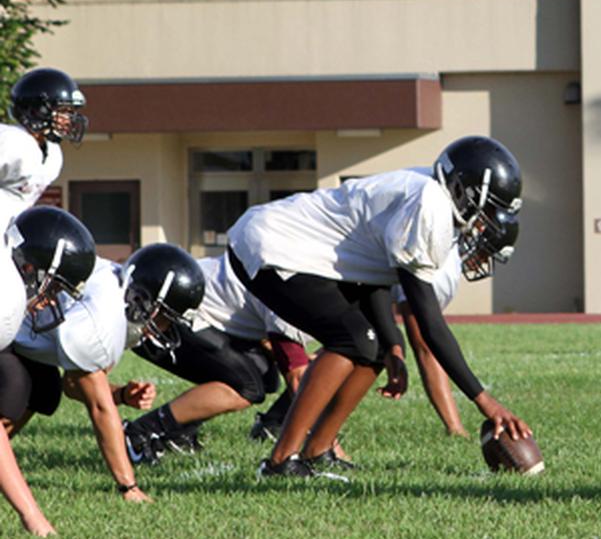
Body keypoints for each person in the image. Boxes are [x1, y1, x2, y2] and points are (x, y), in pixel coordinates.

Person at [226, 135, 532, 478]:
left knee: (369, 347)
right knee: (350, 339)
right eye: (488, 207)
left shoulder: (427, 191)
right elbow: (429, 322)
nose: (486, 219)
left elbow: (373, 278)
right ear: (462, 190)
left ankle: (318, 450)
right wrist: (484, 401)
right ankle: (281, 461)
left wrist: (392, 347)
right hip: (272, 246)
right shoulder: (428, 206)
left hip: (301, 254)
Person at [7, 243, 204, 503]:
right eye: (165, 318)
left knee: (45, 390)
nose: (164, 328)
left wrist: (120, 395)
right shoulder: (104, 317)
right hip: (6, 320)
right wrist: (128, 486)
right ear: (145, 302)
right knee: (17, 386)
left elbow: (74, 383)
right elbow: (99, 407)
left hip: (17, 329)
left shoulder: (117, 295)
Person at [123, 251, 312, 464]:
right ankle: (143, 430)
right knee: (248, 387)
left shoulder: (296, 270)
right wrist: (324, 444)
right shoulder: (294, 283)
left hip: (198, 313)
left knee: (264, 374)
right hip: (165, 312)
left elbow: (271, 341)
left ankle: (180, 430)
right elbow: (298, 378)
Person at [378, 210, 520, 438]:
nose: (484, 262)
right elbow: (424, 344)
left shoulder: (447, 256)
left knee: (364, 346)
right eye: (485, 252)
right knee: (359, 348)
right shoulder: (438, 262)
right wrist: (456, 426)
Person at [0, 206, 95, 536]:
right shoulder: (6, 296)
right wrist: (32, 516)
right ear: (31, 267)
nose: (50, 299)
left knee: (20, 381)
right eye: (53, 287)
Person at [0, 68, 87, 228]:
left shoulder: (53, 155)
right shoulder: (10, 141)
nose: (68, 119)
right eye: (63, 111)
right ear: (37, 111)